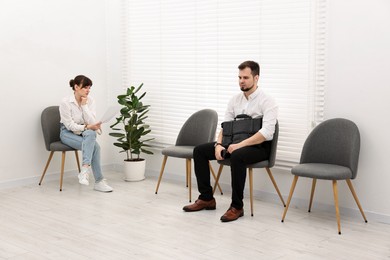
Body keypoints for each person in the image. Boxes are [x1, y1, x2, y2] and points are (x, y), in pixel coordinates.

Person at [183, 61, 278, 222]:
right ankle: (206, 198)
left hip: (258, 147)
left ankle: (237, 207)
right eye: (239, 77)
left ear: (256, 78)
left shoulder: (268, 101)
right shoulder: (234, 100)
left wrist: (239, 145)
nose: (241, 81)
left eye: (246, 77)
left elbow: (267, 133)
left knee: (237, 155)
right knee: (199, 151)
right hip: (233, 141)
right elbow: (226, 126)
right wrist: (219, 144)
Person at [59, 75, 113, 192]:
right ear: (76, 87)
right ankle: (98, 181)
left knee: (91, 134)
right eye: (85, 87)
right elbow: (69, 125)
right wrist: (87, 126)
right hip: (67, 133)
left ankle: (84, 170)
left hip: (84, 132)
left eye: (89, 88)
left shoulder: (90, 100)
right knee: (95, 148)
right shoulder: (65, 102)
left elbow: (92, 122)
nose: (88, 90)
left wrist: (84, 106)